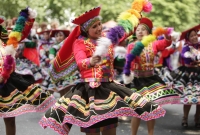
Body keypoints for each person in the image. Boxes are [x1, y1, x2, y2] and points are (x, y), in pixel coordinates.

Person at [39, 3, 166, 135]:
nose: (99, 28)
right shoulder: (80, 42)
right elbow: (80, 61)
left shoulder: (107, 37)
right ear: (86, 30)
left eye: (99, 24)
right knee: (92, 131)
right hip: (89, 92)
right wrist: (90, 61)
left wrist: (135, 12)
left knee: (110, 130)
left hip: (109, 89)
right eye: (94, 26)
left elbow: (126, 29)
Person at [0, 8, 56, 135]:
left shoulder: (6, 40)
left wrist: (27, 18)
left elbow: (21, 34)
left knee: (9, 119)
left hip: (7, 83)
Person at [123, 17, 180, 135]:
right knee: (137, 110)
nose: (139, 31)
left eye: (143, 29)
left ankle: (151, 133)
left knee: (151, 109)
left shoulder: (153, 44)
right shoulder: (131, 46)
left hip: (151, 80)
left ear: (148, 32)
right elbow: (128, 62)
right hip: (137, 81)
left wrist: (167, 34)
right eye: (137, 30)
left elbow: (166, 43)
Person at [165, 24, 200, 127]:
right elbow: (188, 58)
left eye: (195, 35)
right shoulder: (185, 48)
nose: (194, 37)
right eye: (191, 36)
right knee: (188, 98)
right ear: (188, 38)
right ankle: (185, 118)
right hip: (189, 74)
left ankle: (197, 118)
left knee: (199, 99)